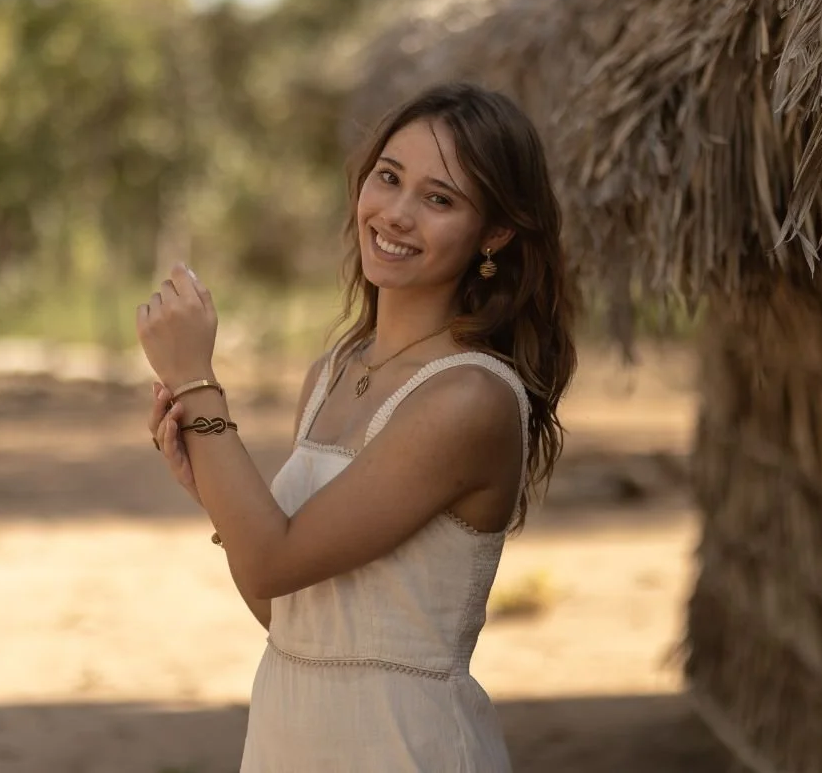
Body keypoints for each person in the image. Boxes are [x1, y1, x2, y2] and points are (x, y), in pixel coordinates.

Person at [135, 81, 577, 772]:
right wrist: (217, 497)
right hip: (290, 736)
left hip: (403, 747)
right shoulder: (334, 372)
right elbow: (292, 614)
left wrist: (196, 380)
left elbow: (275, 558)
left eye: (439, 199)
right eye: (389, 178)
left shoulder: (467, 398)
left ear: (494, 233)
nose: (397, 214)